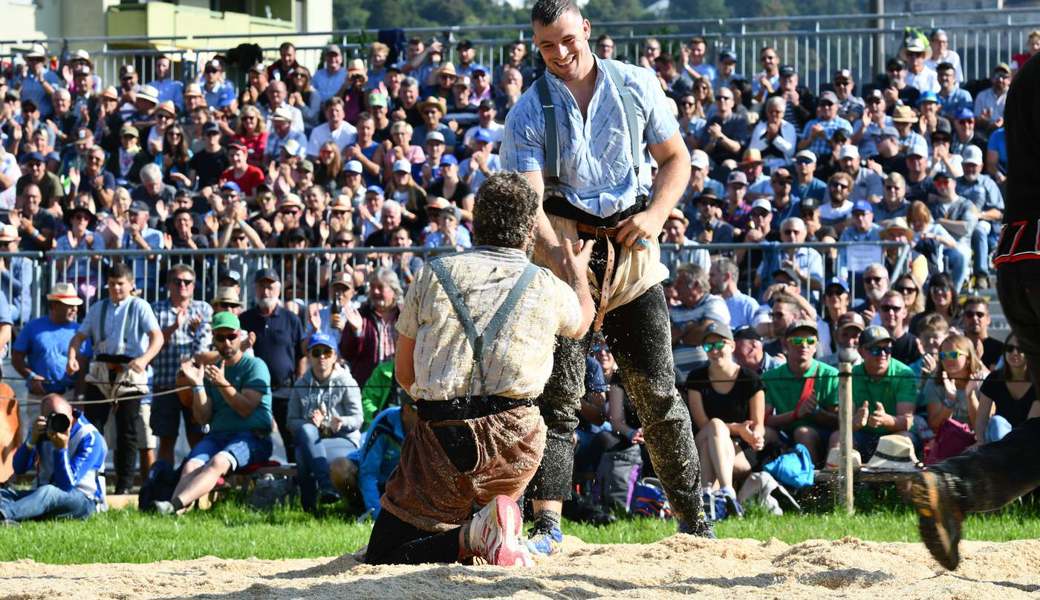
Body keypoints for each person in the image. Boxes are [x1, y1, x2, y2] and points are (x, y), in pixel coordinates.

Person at [364, 171, 595, 566]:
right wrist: (575, 273)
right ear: (529, 233)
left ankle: (475, 533)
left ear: (475, 222)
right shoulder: (544, 284)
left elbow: (405, 376)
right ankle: (491, 528)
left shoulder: (432, 275)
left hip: (441, 437)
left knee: (384, 553)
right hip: (515, 441)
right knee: (495, 477)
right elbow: (582, 321)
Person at [154, 312, 273, 515]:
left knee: (218, 461)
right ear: (213, 340)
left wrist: (222, 383)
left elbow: (246, 408)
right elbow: (202, 417)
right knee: (191, 464)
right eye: (220, 337)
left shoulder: (255, 366)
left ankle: (172, 506)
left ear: (240, 336)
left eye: (231, 336)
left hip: (252, 436)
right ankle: (173, 515)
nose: (226, 342)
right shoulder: (211, 371)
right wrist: (198, 386)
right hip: (218, 436)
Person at [66, 262, 163, 494]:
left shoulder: (140, 306)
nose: (116, 288)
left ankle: (124, 486)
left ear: (130, 284)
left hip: (129, 370)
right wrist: (72, 356)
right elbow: (79, 337)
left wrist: (144, 359)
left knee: (126, 431)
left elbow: (157, 337)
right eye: (111, 284)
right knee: (91, 428)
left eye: (120, 284)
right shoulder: (98, 308)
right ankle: (87, 480)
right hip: (100, 369)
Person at [686, 323, 765, 518]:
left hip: (740, 452)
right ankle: (727, 492)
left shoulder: (751, 378)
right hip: (707, 438)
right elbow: (702, 423)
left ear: (731, 345)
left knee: (712, 440)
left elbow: (759, 425)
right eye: (708, 347)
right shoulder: (696, 377)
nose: (714, 351)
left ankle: (707, 494)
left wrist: (756, 437)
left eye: (719, 345)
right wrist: (738, 428)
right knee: (714, 426)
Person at [287, 333, 362, 512]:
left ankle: (312, 506)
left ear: (335, 356)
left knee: (302, 454)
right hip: (313, 441)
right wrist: (311, 423)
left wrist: (340, 422)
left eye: (327, 352)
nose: (321, 357)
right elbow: (290, 421)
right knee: (305, 433)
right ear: (309, 356)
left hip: (344, 440)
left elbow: (358, 418)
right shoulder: (300, 384)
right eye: (316, 352)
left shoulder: (346, 381)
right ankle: (321, 495)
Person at [5, 393, 106, 523]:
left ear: (72, 413)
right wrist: (31, 441)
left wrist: (61, 449)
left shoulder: (89, 437)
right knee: (4, 494)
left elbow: (66, 485)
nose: (59, 424)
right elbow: (19, 469)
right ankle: (17, 514)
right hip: (42, 495)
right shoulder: (42, 430)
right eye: (52, 418)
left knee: (48, 492)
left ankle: (5, 514)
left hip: (84, 501)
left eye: (63, 418)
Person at [238, 268, 305, 461]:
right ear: (254, 288)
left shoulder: (291, 319)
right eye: (261, 286)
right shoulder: (245, 319)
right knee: (253, 441)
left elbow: (301, 355)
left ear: (279, 289)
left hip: (285, 390)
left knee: (292, 441)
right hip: (254, 392)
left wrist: (297, 386)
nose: (266, 291)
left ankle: (296, 485)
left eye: (270, 286)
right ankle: (256, 488)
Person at [150, 265, 213, 464]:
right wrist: (175, 326)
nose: (182, 286)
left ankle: (197, 481)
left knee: (197, 438)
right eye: (177, 282)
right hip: (165, 384)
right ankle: (163, 483)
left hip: (193, 386)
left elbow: (201, 350)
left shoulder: (203, 308)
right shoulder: (156, 309)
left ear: (194, 286)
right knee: (166, 440)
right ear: (169, 285)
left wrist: (193, 333)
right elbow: (152, 346)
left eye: (187, 282)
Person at [762, 320, 839, 465]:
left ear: (816, 346)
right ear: (785, 345)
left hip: (821, 436)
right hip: (784, 435)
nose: (804, 345)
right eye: (797, 340)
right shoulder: (769, 378)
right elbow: (764, 420)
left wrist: (816, 412)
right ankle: (759, 479)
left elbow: (838, 422)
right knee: (763, 432)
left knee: (803, 432)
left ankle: (810, 484)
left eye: (810, 341)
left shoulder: (831, 374)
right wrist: (796, 414)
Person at [842, 326, 916, 461]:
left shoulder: (904, 374)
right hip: (862, 433)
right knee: (839, 436)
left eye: (887, 349)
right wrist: (855, 422)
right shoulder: (851, 375)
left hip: (894, 433)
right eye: (875, 349)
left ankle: (901, 481)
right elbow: (843, 422)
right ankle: (843, 479)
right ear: (861, 351)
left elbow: (908, 422)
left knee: (903, 439)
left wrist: (886, 420)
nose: (882, 354)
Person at [12, 283, 88, 401]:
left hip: (70, 396)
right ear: (54, 305)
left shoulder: (80, 332)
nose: (75, 309)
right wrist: (30, 377)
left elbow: (84, 366)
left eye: (76, 305)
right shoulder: (32, 327)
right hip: (38, 397)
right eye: (70, 305)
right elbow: (17, 357)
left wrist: (79, 397)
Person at [975, 333, 1037, 444]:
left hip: (1029, 442)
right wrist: (980, 443)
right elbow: (981, 419)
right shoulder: (994, 378)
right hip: (998, 439)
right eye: (1010, 348)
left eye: (1020, 349)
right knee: (997, 423)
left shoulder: (1038, 383)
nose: (1014, 353)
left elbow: (1030, 428)